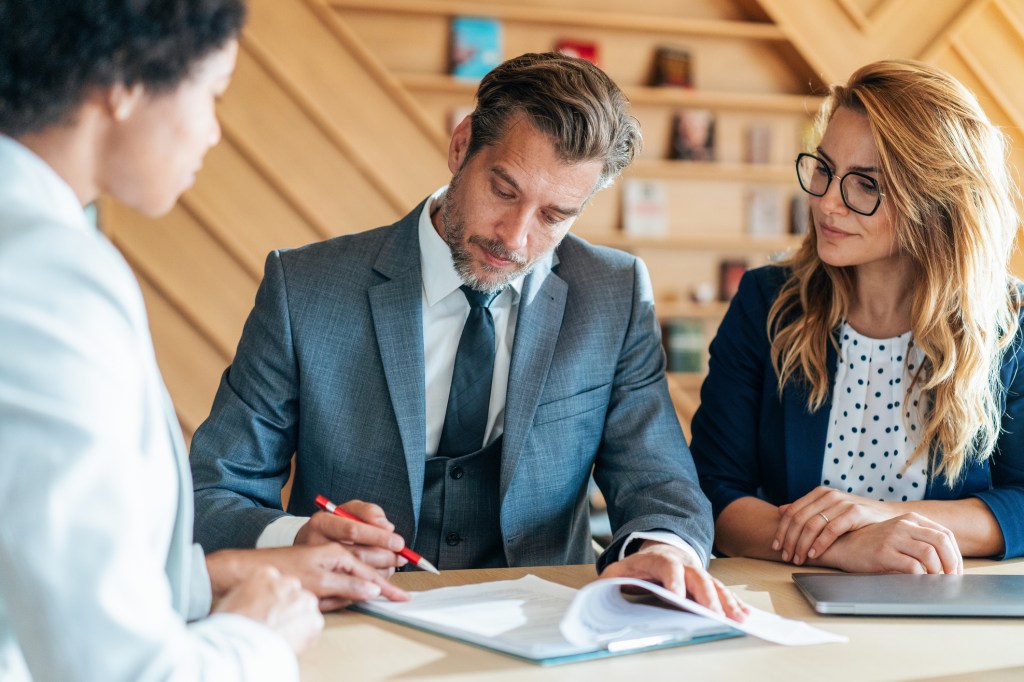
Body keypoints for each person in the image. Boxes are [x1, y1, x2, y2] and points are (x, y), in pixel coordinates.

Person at [189, 51, 745, 618]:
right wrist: (294, 538)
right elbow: (212, 493)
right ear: (461, 146)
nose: (517, 238)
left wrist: (662, 550)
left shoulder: (615, 291)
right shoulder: (303, 288)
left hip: (550, 630)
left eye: (554, 216)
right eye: (504, 191)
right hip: (347, 623)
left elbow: (660, 481)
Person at [0, 2, 405, 680]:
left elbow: (34, 554)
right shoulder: (44, 274)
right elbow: (114, 670)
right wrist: (257, 637)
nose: (214, 131)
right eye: (212, 93)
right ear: (124, 80)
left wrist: (215, 576)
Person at [690, 59, 1024, 574]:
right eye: (824, 169)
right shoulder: (766, 302)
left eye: (865, 184)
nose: (826, 202)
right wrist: (843, 547)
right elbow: (712, 490)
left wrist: (886, 517)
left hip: (949, 615)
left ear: (937, 202)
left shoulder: (1011, 326)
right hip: (789, 609)